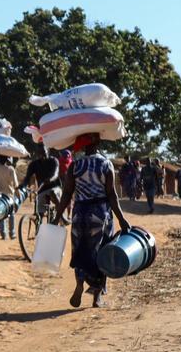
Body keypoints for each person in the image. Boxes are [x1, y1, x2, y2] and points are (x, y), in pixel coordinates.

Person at [54, 132, 131, 310]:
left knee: (80, 251)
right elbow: (112, 194)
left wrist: (57, 217)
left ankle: (80, 283)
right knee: (101, 253)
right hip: (100, 214)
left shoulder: (75, 165)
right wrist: (122, 219)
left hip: (79, 213)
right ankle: (97, 296)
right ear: (96, 142)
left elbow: (66, 194)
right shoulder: (105, 164)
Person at [0, 154, 21, 240]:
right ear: (7, 159)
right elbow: (16, 184)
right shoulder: (10, 169)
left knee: (2, 213)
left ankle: (3, 233)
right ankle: (12, 233)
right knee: (11, 214)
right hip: (9, 194)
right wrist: (18, 194)